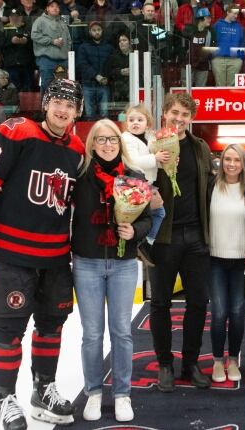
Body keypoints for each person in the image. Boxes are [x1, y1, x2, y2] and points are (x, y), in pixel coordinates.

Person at [0, 79, 85, 430]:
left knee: (52, 327)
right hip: (14, 255)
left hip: (56, 258)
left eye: (70, 105)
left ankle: (42, 389)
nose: (63, 110)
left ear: (78, 112)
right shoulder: (16, 131)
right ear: (46, 104)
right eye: (57, 102)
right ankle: (4, 396)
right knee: (8, 329)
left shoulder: (77, 147)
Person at [72, 119, 150, 423]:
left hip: (123, 264)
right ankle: (93, 392)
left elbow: (148, 218)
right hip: (87, 263)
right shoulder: (80, 176)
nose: (107, 145)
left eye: (113, 140)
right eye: (101, 140)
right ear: (92, 143)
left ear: (120, 143)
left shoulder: (135, 176)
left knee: (121, 333)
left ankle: (122, 393)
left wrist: (136, 231)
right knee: (92, 334)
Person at [148, 92, 215, 392]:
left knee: (198, 302)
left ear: (192, 118)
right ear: (164, 114)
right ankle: (165, 363)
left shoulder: (200, 148)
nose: (179, 119)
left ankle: (190, 363)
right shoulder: (152, 147)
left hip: (197, 238)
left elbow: (212, 186)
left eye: (185, 115)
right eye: (174, 113)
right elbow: (137, 180)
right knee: (160, 301)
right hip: (164, 237)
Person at [208, 143, 245, 383]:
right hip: (215, 259)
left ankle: (233, 359)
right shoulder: (211, 186)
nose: (232, 164)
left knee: (236, 312)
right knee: (218, 312)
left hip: (242, 261)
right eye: (227, 159)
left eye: (237, 160)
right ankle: (216, 361)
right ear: (221, 161)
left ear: (243, 164)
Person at [119, 104, 169, 260]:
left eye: (140, 120)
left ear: (148, 123)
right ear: (126, 123)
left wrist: (166, 160)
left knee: (157, 213)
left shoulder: (149, 138)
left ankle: (144, 242)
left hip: (147, 183)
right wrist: (155, 158)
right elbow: (133, 161)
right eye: (131, 119)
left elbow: (156, 161)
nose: (135, 123)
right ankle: (145, 242)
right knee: (157, 213)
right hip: (135, 184)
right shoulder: (126, 139)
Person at [32, 0, 72, 92]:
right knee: (47, 86)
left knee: (63, 87)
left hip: (63, 60)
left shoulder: (62, 22)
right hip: (47, 60)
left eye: (57, 6)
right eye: (52, 6)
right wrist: (52, 41)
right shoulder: (40, 20)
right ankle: (45, 106)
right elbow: (34, 35)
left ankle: (60, 106)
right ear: (47, 8)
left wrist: (66, 52)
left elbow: (69, 40)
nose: (55, 8)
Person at [77, 21, 113, 120]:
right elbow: (83, 65)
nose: (97, 32)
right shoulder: (83, 47)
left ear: (102, 31)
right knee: (89, 115)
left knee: (104, 115)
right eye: (94, 30)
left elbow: (111, 65)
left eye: (99, 30)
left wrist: (106, 77)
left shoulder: (108, 47)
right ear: (89, 32)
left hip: (104, 85)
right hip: (88, 85)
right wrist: (96, 76)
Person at [0, 9, 35, 91]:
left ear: (21, 17)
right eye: (12, 16)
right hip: (11, 64)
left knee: (28, 88)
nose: (15, 18)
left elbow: (35, 43)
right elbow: (0, 43)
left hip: (26, 64)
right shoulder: (4, 29)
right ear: (9, 17)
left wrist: (26, 41)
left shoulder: (27, 28)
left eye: (17, 16)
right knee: (13, 89)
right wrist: (11, 41)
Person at [211, 6, 245, 86]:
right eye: (234, 13)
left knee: (232, 87)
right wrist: (213, 56)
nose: (236, 16)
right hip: (219, 59)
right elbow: (211, 41)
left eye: (237, 14)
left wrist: (240, 59)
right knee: (220, 85)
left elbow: (242, 43)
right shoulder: (217, 25)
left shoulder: (239, 27)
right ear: (228, 12)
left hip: (235, 60)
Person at [183, 7, 214, 87]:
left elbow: (209, 49)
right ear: (201, 19)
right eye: (207, 18)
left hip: (202, 66)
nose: (209, 20)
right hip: (188, 64)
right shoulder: (190, 30)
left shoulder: (209, 32)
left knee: (200, 90)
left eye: (210, 18)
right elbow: (183, 47)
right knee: (185, 89)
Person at [109, 33, 132, 108]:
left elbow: (142, 71)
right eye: (120, 41)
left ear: (130, 42)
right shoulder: (114, 56)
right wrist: (120, 72)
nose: (121, 42)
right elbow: (109, 72)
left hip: (132, 89)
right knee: (120, 116)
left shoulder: (136, 55)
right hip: (118, 91)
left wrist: (132, 72)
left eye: (124, 40)